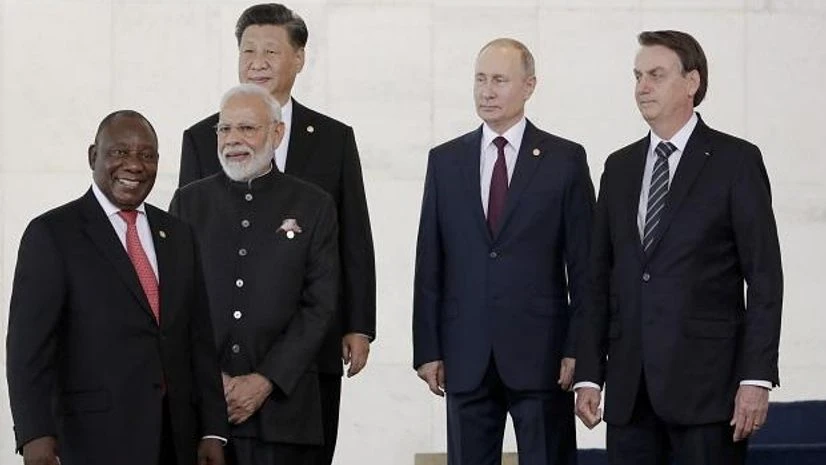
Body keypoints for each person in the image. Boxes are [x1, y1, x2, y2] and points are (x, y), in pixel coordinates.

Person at [574, 30, 784, 465]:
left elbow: (764, 277)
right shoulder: (620, 167)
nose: (642, 87)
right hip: (631, 393)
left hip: (709, 392)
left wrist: (756, 377)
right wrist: (590, 375)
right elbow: (598, 277)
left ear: (692, 82)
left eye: (656, 74)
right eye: (637, 76)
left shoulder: (736, 161)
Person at [178, 6, 375, 462]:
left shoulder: (332, 137)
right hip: (220, 352)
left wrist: (359, 322)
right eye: (248, 51)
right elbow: (187, 250)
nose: (257, 61)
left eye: (271, 50)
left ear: (299, 58)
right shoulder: (202, 136)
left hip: (310, 348)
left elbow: (355, 238)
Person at [6, 110, 227, 465]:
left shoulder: (179, 235)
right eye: (120, 152)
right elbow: (27, 349)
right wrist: (34, 434)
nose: (135, 165)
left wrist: (212, 429)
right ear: (94, 156)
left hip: (176, 439)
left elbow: (199, 338)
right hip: (92, 439)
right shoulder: (53, 234)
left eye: (147, 154)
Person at [412, 38, 595, 465]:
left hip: (543, 357)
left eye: (499, 80)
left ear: (529, 85)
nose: (486, 91)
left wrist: (579, 350)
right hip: (464, 355)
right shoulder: (445, 161)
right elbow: (430, 262)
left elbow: (584, 268)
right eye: (479, 79)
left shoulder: (564, 159)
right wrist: (428, 348)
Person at [169, 84, 338, 465]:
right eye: (225, 129)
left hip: (286, 414)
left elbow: (320, 306)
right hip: (204, 416)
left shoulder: (313, 205)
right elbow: (174, 304)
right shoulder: (188, 202)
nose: (233, 140)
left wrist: (265, 380)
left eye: (247, 128)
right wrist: (213, 382)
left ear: (276, 134)